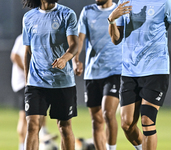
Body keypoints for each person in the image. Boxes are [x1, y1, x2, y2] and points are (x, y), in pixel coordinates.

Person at [108, 0, 171, 150]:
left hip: (156, 70)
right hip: (129, 71)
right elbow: (115, 40)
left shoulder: (165, 2)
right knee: (127, 124)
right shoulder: (125, 1)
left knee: (147, 119)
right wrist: (112, 19)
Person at [22, 0, 79, 149]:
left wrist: (64, 59)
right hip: (36, 82)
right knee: (32, 126)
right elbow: (28, 52)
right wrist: (27, 79)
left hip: (62, 81)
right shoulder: (28, 17)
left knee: (64, 127)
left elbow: (74, 44)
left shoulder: (67, 14)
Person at [73, 0, 128, 150]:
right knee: (96, 120)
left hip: (115, 70)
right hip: (93, 73)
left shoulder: (120, 10)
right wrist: (75, 60)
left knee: (108, 113)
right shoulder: (87, 12)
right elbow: (80, 38)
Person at [10, 34, 58, 150]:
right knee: (25, 116)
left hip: (34, 82)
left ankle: (43, 133)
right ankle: (22, 146)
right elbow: (15, 56)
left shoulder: (40, 37)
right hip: (23, 83)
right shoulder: (22, 37)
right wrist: (28, 72)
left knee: (40, 106)